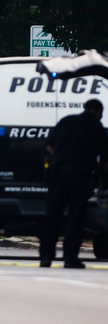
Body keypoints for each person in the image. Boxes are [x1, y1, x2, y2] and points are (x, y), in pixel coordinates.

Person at [42, 98, 108, 269]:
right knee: (75, 217)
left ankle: (46, 256)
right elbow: (104, 155)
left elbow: (49, 145)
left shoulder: (66, 121)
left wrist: (58, 158)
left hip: (58, 173)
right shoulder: (96, 126)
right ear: (97, 111)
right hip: (80, 175)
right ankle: (70, 258)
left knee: (53, 215)